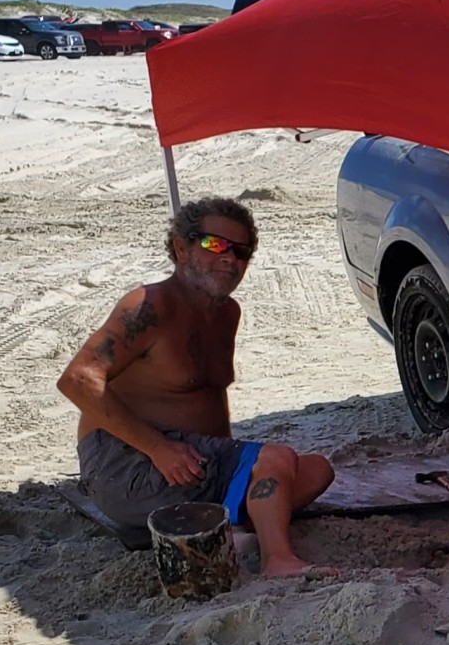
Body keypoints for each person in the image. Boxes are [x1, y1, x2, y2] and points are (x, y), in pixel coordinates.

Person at [57, 197, 333, 578]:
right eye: (214, 245)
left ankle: (211, 525)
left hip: (191, 462)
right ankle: (277, 560)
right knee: (277, 459)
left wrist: (233, 465)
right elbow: (78, 380)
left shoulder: (226, 313)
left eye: (242, 252)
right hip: (129, 461)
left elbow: (209, 398)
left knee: (316, 471)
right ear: (180, 247)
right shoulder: (149, 305)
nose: (230, 259)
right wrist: (158, 448)